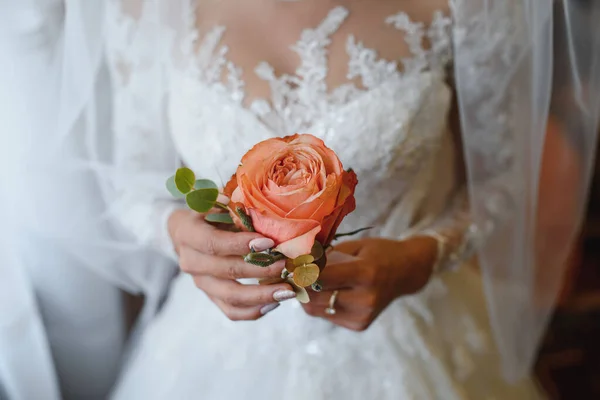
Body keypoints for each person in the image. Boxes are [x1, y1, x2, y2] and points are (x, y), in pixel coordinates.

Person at [46, 0, 600, 399]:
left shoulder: (472, 7)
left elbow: (504, 179)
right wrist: (179, 234)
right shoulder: (142, 10)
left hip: (416, 328)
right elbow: (134, 182)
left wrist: (424, 257)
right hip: (218, 343)